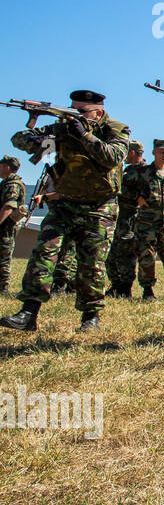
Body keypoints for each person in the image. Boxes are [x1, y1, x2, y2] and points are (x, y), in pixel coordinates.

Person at [1, 91, 130, 333]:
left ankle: (90, 316)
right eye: (72, 110)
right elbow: (21, 141)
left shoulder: (115, 129)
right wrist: (34, 121)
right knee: (44, 252)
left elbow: (112, 157)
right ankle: (29, 311)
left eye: (80, 112)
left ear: (98, 112)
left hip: (99, 205)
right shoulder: (63, 129)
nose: (74, 116)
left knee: (92, 263)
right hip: (65, 202)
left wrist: (85, 136)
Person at [128, 139, 164, 302]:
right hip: (147, 224)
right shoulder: (142, 172)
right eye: (162, 152)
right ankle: (148, 291)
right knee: (147, 257)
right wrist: (137, 198)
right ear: (154, 152)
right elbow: (124, 187)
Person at [106, 140, 146, 297]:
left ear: (132, 153)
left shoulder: (145, 172)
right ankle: (116, 285)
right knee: (113, 253)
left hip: (131, 219)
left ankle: (125, 287)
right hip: (118, 217)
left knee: (126, 254)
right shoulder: (127, 170)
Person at [0, 156, 26, 295]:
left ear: (7, 167)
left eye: (1, 165)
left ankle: (2, 288)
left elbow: (9, 206)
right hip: (4, 226)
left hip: (6, 227)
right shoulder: (6, 183)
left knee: (3, 255)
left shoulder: (12, 184)